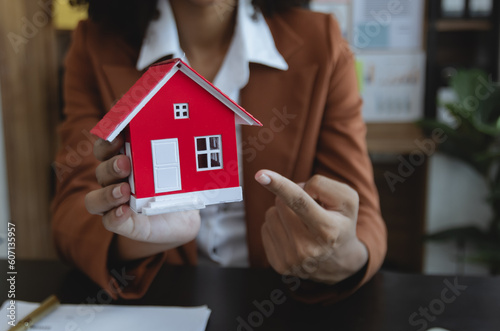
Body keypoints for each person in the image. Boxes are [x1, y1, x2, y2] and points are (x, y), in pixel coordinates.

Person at [52, 0, 387, 304]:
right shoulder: (95, 44)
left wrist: (343, 256)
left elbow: (360, 214)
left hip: (283, 302)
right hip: (166, 303)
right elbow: (71, 213)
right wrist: (138, 234)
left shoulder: (321, 41)